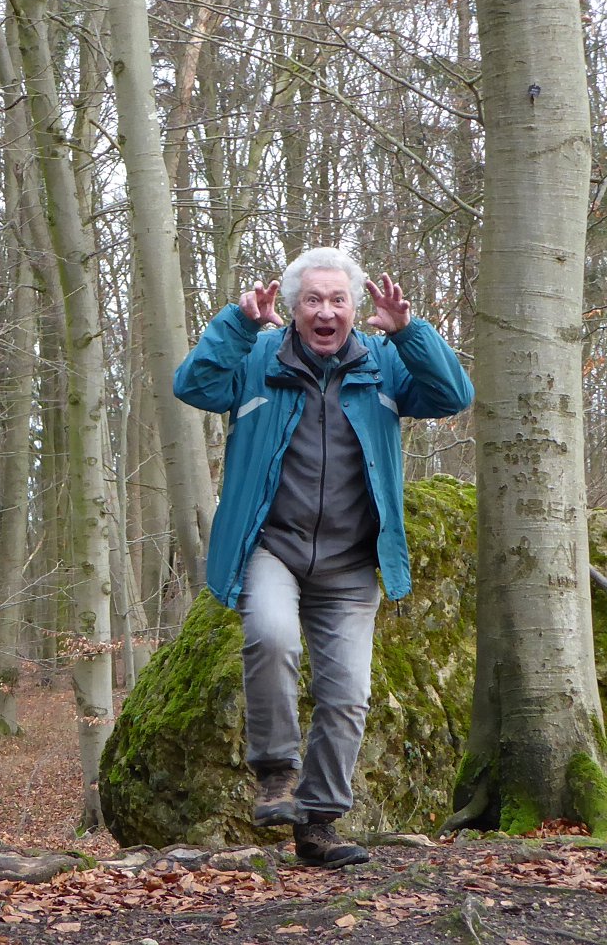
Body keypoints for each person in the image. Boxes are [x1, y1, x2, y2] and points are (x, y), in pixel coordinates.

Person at [172, 247, 474, 869]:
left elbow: (453, 395)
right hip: (271, 545)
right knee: (271, 635)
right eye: (313, 300)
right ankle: (275, 776)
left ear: (355, 308)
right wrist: (237, 324)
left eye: (338, 300)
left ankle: (318, 824)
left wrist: (410, 332)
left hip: (351, 560)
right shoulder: (258, 358)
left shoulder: (384, 364)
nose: (326, 311)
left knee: (348, 695)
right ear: (293, 308)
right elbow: (193, 385)